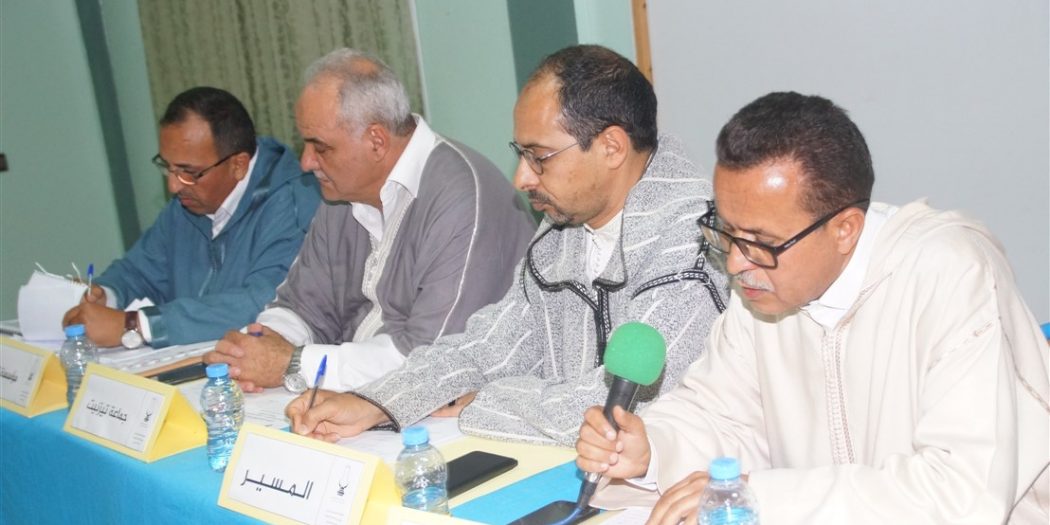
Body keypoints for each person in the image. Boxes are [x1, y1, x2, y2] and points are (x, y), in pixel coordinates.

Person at [575, 92, 1050, 524]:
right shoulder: (763, 290)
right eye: (727, 232)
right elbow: (721, 414)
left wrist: (765, 497)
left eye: (761, 242)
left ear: (844, 230)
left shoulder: (951, 276)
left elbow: (960, 494)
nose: (737, 263)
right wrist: (652, 450)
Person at [284, 45, 729, 446]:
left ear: (611, 147)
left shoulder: (696, 241)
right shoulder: (563, 226)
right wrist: (378, 401)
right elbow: (491, 344)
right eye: (521, 154)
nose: (522, 178)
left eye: (539, 156)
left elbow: (617, 407)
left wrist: (484, 400)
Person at [203, 48, 536, 394]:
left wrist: (294, 363)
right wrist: (259, 345)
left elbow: (433, 360)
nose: (306, 162)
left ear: (376, 141)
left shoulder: (462, 196)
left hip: (449, 404)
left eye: (321, 148)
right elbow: (302, 304)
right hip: (356, 395)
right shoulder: (342, 191)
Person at [63, 87, 320, 348]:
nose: (174, 186)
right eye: (167, 167)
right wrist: (106, 294)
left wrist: (137, 324)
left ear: (238, 165)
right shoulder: (189, 201)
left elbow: (266, 302)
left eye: (189, 172)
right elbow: (140, 270)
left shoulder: (294, 204)